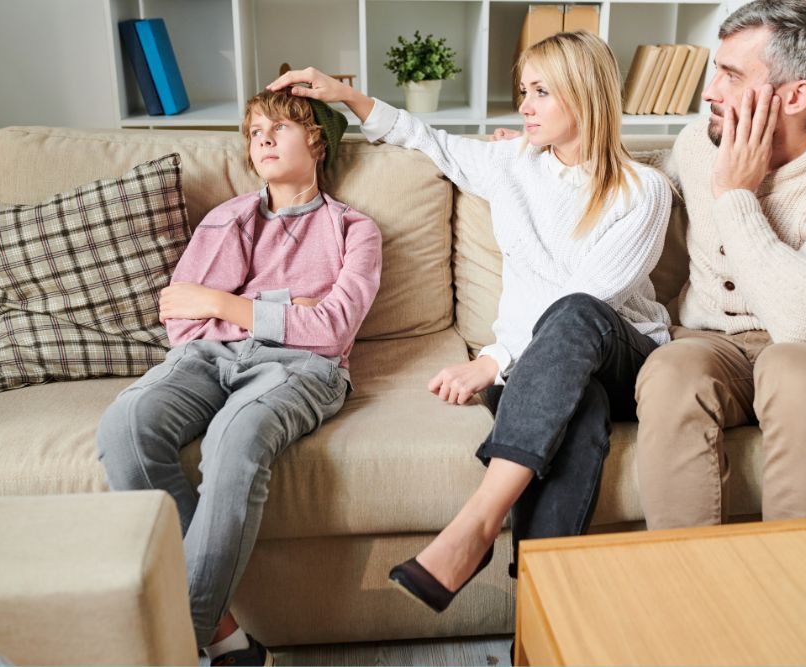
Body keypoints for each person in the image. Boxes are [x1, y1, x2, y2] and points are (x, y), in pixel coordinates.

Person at [268, 29, 672, 613]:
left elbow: (585, 300)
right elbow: (425, 138)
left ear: (584, 97)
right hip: (552, 376)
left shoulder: (644, 191)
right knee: (576, 412)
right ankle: (539, 622)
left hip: (624, 360)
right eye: (523, 90)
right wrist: (347, 97)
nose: (524, 106)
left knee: (578, 315)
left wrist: (495, 360)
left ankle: (474, 525)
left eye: (541, 92)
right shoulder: (512, 162)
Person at [96, 89, 382, 665]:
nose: (265, 139)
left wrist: (227, 303)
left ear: (318, 141)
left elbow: (330, 330)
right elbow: (180, 315)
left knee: (235, 435)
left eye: (280, 127)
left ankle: (176, 641)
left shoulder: (356, 230)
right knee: (125, 424)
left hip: (304, 367)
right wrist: (287, 305)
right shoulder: (227, 218)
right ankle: (224, 637)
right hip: (206, 357)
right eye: (255, 132)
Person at [630, 0, 806, 528]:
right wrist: (551, 149)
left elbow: (805, 323)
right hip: (714, 342)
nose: (709, 92)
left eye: (731, 76)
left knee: (791, 367)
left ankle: (789, 590)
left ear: (796, 95)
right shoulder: (698, 144)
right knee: (668, 368)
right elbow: (644, 185)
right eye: (717, 69)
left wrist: (737, 196)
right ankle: (685, 582)